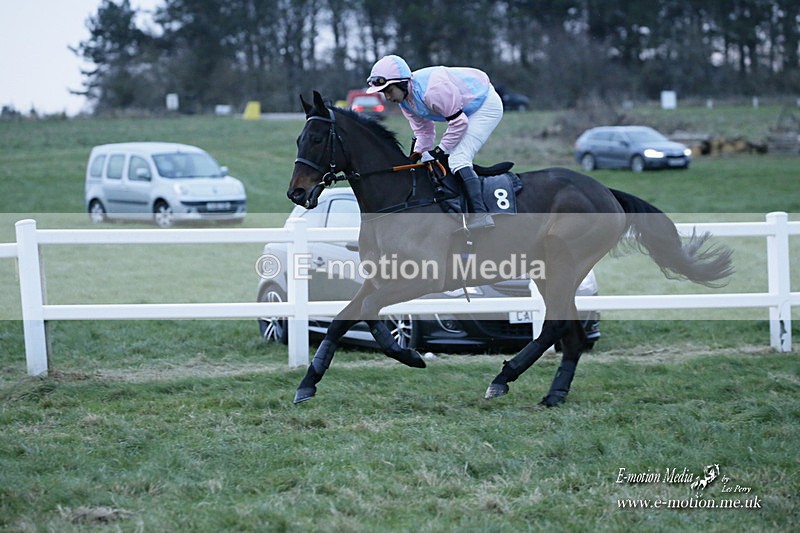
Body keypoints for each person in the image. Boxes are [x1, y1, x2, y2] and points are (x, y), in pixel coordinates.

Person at [366, 55, 503, 230]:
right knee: (441, 160)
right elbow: (424, 132)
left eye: (388, 90)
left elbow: (459, 123)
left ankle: (481, 215)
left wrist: (439, 151)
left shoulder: (433, 91)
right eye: (383, 92)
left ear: (401, 83)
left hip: (485, 105)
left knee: (458, 159)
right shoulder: (405, 102)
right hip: (463, 111)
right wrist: (415, 156)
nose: (387, 97)